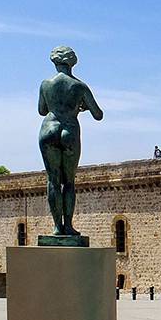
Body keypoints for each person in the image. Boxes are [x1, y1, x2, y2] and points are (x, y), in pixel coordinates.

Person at [38, 45, 103, 236]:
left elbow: (42, 110)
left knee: (53, 181)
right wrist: (80, 107)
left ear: (55, 61)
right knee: (69, 183)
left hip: (48, 129)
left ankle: (57, 227)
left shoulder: (45, 84)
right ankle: (68, 226)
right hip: (70, 130)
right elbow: (98, 114)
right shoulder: (79, 86)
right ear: (72, 62)